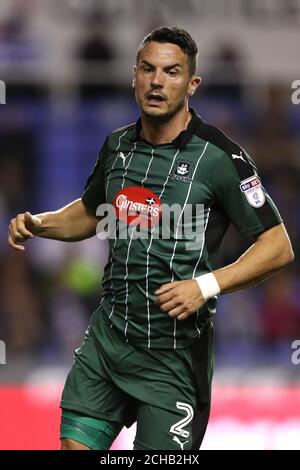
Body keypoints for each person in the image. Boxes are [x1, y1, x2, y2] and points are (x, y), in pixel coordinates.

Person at [8, 27, 294, 451]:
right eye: (148, 69)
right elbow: (91, 211)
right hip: (109, 339)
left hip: (173, 355)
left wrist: (205, 285)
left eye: (172, 72)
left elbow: (278, 245)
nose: (157, 81)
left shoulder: (219, 157)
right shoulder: (117, 145)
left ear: (192, 84)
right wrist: (41, 223)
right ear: (134, 76)